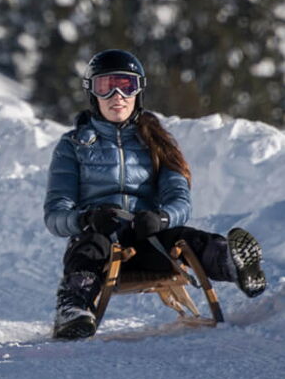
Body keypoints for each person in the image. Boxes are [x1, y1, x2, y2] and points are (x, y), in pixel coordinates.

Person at [43, 48, 267, 340]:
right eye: (105, 87)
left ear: (139, 91)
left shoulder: (156, 141)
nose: (116, 96)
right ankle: (73, 308)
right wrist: (86, 218)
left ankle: (232, 261)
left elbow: (179, 198)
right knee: (89, 247)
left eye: (126, 86)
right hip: (100, 237)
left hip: (146, 238)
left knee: (185, 238)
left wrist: (161, 218)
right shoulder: (73, 146)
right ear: (92, 93)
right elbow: (55, 213)